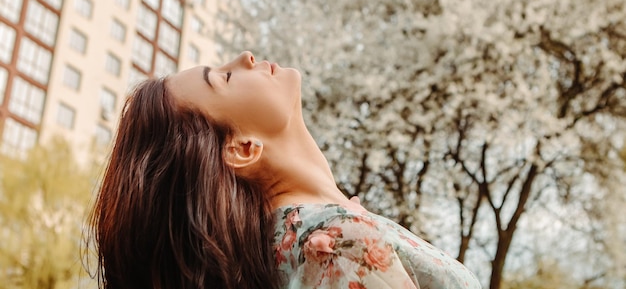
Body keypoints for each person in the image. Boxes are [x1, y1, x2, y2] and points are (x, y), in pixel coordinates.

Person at [86, 51, 482, 289]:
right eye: (224, 78)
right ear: (242, 148)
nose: (245, 58)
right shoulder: (337, 246)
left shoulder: (314, 242)